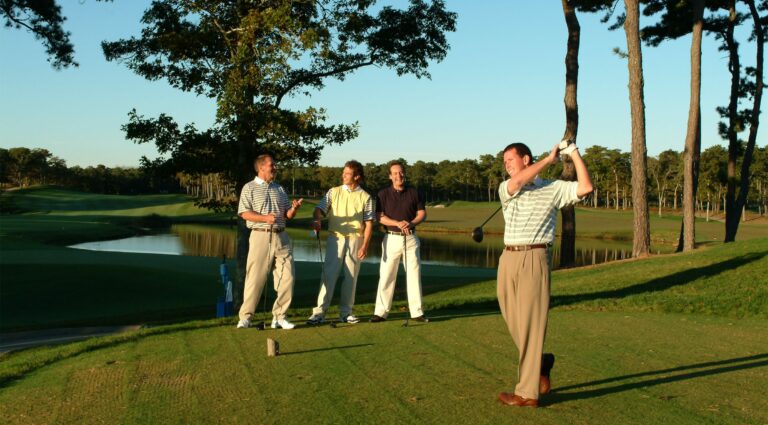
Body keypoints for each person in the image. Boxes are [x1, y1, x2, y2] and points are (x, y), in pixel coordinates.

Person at [496, 141, 593, 408]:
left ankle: (527, 393)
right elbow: (517, 184)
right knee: (513, 318)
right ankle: (540, 362)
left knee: (531, 324)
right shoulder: (507, 187)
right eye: (504, 161)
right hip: (508, 257)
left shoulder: (552, 188)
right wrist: (549, 159)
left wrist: (572, 153)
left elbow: (585, 188)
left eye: (510, 159)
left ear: (526, 159)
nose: (506, 164)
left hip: (535, 256)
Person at [236, 154, 303, 330]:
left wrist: (294, 209)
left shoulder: (279, 188)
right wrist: (264, 218)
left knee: (288, 278)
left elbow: (287, 215)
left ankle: (279, 317)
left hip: (282, 237)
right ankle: (246, 317)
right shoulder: (249, 187)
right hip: (260, 235)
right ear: (261, 167)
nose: (275, 167)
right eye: (272, 165)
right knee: (255, 279)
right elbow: (244, 213)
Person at [307, 160, 375, 325]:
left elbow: (369, 224)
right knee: (329, 276)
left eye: (347, 173)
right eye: (343, 172)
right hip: (335, 238)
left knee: (351, 277)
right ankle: (319, 313)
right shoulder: (333, 192)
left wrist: (365, 245)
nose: (343, 175)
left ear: (357, 176)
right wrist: (317, 219)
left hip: (355, 240)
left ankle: (346, 313)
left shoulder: (366, 197)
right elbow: (319, 210)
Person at [370, 161, 428, 323]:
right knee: (387, 275)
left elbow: (422, 213)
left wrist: (411, 223)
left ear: (404, 174)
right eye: (395, 173)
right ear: (390, 176)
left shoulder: (414, 192)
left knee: (414, 275)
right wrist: (397, 223)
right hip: (391, 238)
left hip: (410, 238)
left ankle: (417, 312)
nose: (398, 175)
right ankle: (380, 312)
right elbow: (379, 216)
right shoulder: (383, 194)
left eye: (401, 172)